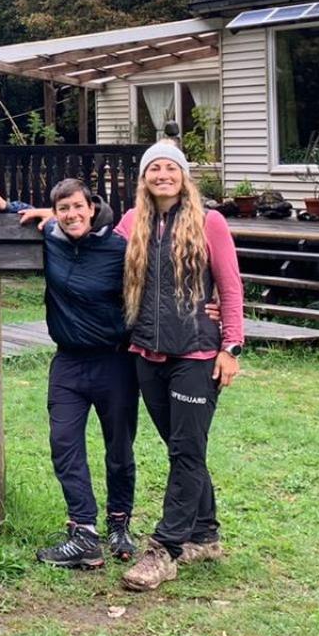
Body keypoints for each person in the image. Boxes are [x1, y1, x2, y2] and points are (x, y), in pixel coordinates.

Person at [0, 178, 138, 569]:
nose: (71, 215)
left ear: (92, 207)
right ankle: (83, 531)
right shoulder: (52, 235)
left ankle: (120, 525)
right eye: (63, 209)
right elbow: (31, 216)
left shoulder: (120, 248)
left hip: (115, 362)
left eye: (78, 207)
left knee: (118, 448)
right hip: (67, 362)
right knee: (64, 445)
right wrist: (9, 205)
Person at [116, 141, 245, 593]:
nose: (163, 174)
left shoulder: (211, 222)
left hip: (197, 354)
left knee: (185, 451)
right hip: (147, 354)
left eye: (171, 167)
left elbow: (229, 287)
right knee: (181, 445)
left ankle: (165, 549)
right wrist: (45, 216)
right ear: (145, 178)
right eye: (155, 168)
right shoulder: (132, 223)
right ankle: (205, 535)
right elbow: (92, 244)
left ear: (184, 176)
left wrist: (231, 346)